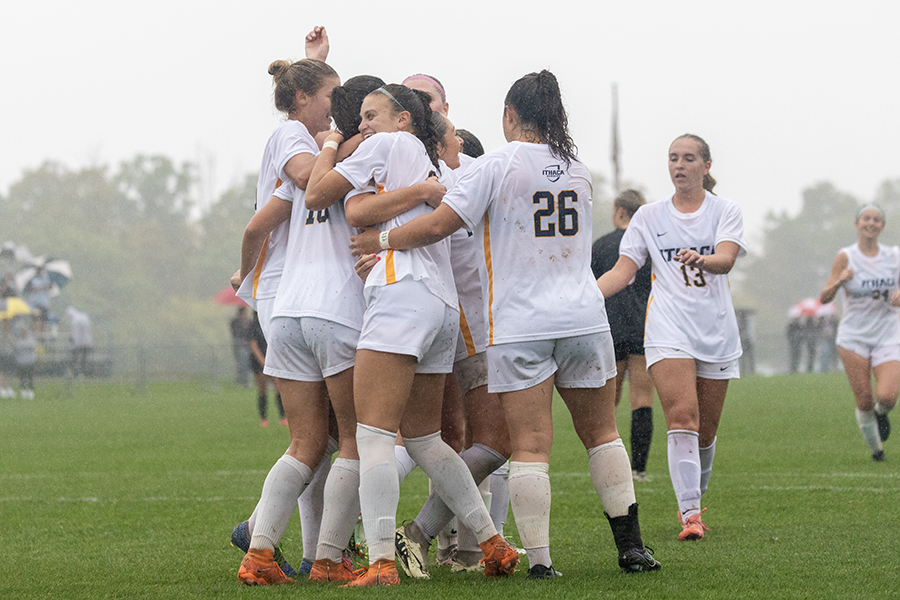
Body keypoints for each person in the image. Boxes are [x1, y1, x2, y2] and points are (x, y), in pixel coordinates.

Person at [349, 71, 659, 578]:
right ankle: (631, 548)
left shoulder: (496, 163)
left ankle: (540, 563)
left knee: (531, 445)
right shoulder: (577, 169)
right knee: (603, 434)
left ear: (509, 116)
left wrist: (383, 242)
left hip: (521, 322)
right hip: (583, 315)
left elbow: (441, 222)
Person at [307, 83, 519, 586]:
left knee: (374, 434)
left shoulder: (387, 144)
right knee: (426, 438)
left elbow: (330, 200)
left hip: (401, 293)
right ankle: (492, 542)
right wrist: (418, 192)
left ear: (403, 120)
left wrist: (332, 144)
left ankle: (381, 561)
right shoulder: (436, 165)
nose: (364, 124)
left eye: (372, 114)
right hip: (443, 305)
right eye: (359, 117)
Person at [597, 133, 746, 542]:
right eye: (673, 158)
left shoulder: (725, 211)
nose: (680, 165)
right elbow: (623, 272)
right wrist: (585, 296)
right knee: (682, 417)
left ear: (706, 166)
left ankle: (695, 497)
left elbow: (727, 258)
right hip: (668, 328)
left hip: (714, 330)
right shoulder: (648, 217)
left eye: (689, 158)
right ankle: (691, 515)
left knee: (707, 432)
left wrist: (704, 259)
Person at [231, 44, 342, 585]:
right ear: (301, 98)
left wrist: (313, 58)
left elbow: (262, 221)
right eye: (331, 96)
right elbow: (306, 179)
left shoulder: (302, 132)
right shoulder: (292, 139)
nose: (338, 107)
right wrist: (246, 279)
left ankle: (269, 536)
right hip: (291, 296)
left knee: (318, 436)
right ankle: (309, 549)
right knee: (322, 436)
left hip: (290, 294)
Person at [820, 204, 899, 461]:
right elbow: (824, 297)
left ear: (882, 227)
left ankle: (881, 413)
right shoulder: (846, 256)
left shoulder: (893, 256)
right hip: (854, 336)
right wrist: (840, 281)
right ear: (857, 224)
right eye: (866, 218)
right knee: (864, 399)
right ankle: (877, 451)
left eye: (876, 220)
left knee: (887, 396)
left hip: (888, 332)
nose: (871, 223)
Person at [591, 189, 655, 482]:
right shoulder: (649, 246)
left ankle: (609, 466)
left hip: (610, 327)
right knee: (642, 398)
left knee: (608, 402)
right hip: (642, 326)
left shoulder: (601, 246)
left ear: (619, 211)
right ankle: (638, 468)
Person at [248, 310, 286, 427]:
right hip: (259, 361)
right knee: (262, 390)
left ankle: (283, 417)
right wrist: (263, 361)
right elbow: (253, 345)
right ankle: (264, 418)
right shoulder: (254, 325)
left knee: (278, 388)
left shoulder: (271, 323)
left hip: (272, 359)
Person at [67, 306, 93, 379]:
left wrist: (75, 342)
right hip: (87, 342)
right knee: (83, 359)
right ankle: (82, 374)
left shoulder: (75, 320)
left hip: (78, 343)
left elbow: (75, 334)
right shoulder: (84, 316)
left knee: (75, 358)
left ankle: (73, 373)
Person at [24, 266, 51, 334]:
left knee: (43, 322)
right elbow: (28, 289)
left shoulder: (46, 279)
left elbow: (50, 287)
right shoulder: (32, 280)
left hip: (44, 303)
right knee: (35, 321)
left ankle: (41, 338)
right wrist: (35, 289)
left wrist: (45, 287)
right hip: (35, 303)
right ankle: (35, 336)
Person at [13, 319, 36, 399]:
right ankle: (23, 391)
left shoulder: (30, 339)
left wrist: (22, 346)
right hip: (21, 362)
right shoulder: (19, 340)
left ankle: (30, 392)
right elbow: (17, 347)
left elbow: (32, 346)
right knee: (22, 378)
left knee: (30, 377)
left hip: (29, 361)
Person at [230, 307, 251, 387]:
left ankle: (244, 380)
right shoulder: (235, 322)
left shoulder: (248, 322)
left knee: (245, 364)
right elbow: (236, 333)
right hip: (239, 346)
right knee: (241, 363)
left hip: (247, 346)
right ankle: (241, 381)